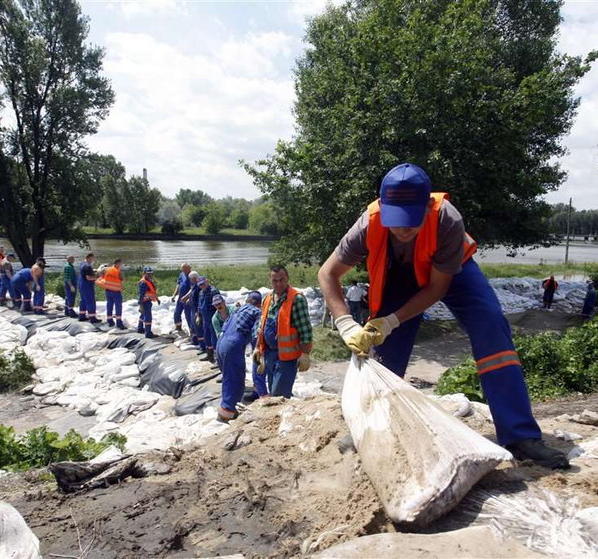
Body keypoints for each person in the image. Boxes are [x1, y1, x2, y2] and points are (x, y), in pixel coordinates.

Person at [317, 162, 569, 469]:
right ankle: (368, 430)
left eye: (412, 220)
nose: (403, 229)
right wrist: (346, 324)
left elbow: (436, 289)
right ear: (383, 207)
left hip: (452, 272)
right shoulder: (369, 223)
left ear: (427, 207)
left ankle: (520, 436)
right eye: (396, 219)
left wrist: (392, 319)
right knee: (385, 356)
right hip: (399, 275)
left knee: (491, 326)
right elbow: (327, 274)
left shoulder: (448, 220)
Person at [254, 265, 313, 398]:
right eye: (275, 281)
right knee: (273, 392)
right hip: (270, 355)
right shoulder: (268, 298)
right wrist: (258, 348)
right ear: (270, 280)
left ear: (287, 278)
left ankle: (281, 416)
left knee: (278, 396)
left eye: (282, 280)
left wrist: (305, 354)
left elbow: (305, 329)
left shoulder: (296, 299)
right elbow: (261, 327)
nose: (279, 284)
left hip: (286, 358)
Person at [216, 293, 263, 421]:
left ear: (247, 300)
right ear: (259, 304)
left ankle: (228, 407)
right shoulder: (256, 312)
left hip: (220, 344)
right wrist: (258, 350)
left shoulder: (238, 310)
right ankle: (227, 410)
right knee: (235, 377)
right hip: (233, 344)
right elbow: (256, 334)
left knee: (228, 376)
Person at [196, 277, 221, 362]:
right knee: (206, 336)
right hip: (205, 318)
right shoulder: (201, 293)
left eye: (203, 284)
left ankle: (218, 358)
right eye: (200, 285)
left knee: (214, 338)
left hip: (213, 317)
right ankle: (209, 355)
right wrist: (199, 315)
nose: (202, 286)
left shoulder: (213, 291)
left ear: (207, 281)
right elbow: (199, 305)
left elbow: (219, 305)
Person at [99, 258, 125, 329]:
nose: (121, 265)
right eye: (120, 264)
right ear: (117, 263)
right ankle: (119, 323)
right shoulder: (118, 271)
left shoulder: (106, 269)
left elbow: (100, 274)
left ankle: (110, 321)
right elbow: (122, 280)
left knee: (109, 305)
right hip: (116, 291)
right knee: (118, 307)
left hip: (108, 290)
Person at [78, 253, 101, 324]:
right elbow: (88, 278)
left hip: (81, 285)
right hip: (87, 286)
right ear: (89, 258)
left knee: (83, 300)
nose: (93, 260)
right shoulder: (87, 266)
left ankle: (82, 315)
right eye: (92, 259)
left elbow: (85, 273)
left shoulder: (82, 264)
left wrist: (93, 271)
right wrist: (97, 277)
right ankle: (92, 317)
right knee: (90, 301)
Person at [171, 263, 192, 334]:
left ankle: (192, 332)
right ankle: (178, 328)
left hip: (188, 299)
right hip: (180, 297)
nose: (184, 270)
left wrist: (186, 297)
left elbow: (192, 289)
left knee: (188, 315)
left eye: (185, 269)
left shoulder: (192, 276)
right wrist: (174, 294)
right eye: (183, 269)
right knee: (177, 313)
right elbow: (179, 284)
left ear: (189, 268)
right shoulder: (181, 275)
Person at [137, 266, 158, 337]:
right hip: (145, 302)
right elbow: (141, 294)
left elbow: (152, 291)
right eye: (148, 273)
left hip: (147, 301)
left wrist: (157, 299)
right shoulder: (144, 282)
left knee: (143, 315)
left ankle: (140, 328)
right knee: (148, 317)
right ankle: (148, 333)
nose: (149, 275)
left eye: (150, 273)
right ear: (144, 273)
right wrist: (140, 305)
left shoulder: (148, 280)